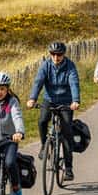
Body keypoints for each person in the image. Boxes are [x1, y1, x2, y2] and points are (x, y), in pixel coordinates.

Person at [26, 41, 80, 181]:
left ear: (64, 54)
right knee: (42, 120)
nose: (56, 57)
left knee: (67, 133)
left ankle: (68, 168)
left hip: (66, 101)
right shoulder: (46, 66)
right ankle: (44, 145)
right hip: (49, 100)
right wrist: (32, 98)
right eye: (53, 54)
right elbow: (38, 82)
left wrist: (75, 100)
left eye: (59, 55)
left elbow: (74, 83)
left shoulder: (70, 66)